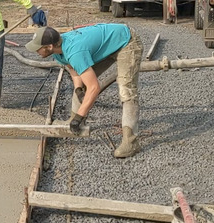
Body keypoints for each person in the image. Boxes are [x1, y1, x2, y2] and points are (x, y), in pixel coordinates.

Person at [24, 24, 143, 158]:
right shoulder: (58, 51)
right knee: (84, 84)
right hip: (109, 43)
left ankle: (131, 142)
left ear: (49, 47)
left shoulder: (74, 51)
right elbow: (74, 70)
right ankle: (72, 121)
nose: (36, 52)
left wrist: (79, 117)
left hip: (126, 41)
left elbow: (94, 87)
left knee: (126, 91)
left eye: (38, 48)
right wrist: (78, 89)